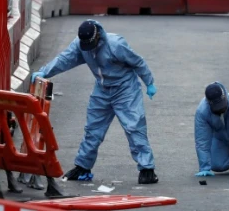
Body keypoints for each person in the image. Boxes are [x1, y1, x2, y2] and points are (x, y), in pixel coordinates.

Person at [31, 19, 159, 185]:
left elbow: (138, 62)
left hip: (125, 89)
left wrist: (149, 82)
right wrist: (44, 72)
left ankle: (147, 169)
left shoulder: (116, 45)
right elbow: (65, 59)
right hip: (102, 89)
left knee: (134, 126)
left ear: (97, 36)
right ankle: (83, 167)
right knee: (93, 129)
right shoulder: (80, 44)